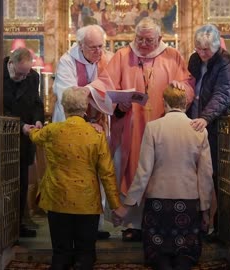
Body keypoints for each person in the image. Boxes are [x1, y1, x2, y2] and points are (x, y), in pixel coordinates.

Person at [90, 16, 194, 241]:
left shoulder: (172, 56)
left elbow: (187, 85)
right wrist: (118, 103)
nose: (143, 44)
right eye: (139, 39)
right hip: (131, 125)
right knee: (134, 169)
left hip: (163, 126)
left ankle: (159, 222)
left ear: (160, 38)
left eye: (149, 40)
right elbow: (105, 84)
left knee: (159, 171)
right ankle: (134, 225)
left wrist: (181, 88)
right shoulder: (122, 55)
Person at [113, 85, 214, 270]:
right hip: (188, 202)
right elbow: (206, 174)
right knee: (185, 253)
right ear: (185, 103)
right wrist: (205, 210)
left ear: (164, 103)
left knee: (159, 254)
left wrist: (126, 207)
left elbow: (143, 172)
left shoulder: (153, 128)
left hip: (158, 203)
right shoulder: (199, 130)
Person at [29, 87, 124, 270]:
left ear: (64, 107)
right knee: (85, 253)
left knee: (60, 252)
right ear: (85, 109)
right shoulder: (96, 134)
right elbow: (107, 172)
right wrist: (115, 206)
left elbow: (35, 136)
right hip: (86, 201)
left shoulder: (52, 130)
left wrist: (30, 129)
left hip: (57, 198)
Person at [52, 24, 115, 240]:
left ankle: (93, 225)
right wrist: (87, 122)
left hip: (98, 127)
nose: (99, 52)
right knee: (72, 176)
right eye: (93, 47)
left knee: (96, 175)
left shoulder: (107, 59)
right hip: (72, 128)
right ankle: (70, 226)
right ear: (80, 45)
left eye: (101, 46)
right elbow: (69, 96)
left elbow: (111, 87)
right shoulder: (67, 62)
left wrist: (93, 91)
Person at [174, 24, 230, 237]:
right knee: (193, 175)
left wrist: (205, 118)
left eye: (205, 50)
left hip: (215, 125)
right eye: (198, 48)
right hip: (194, 123)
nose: (201, 53)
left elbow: (223, 94)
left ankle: (220, 228)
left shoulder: (225, 62)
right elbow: (189, 84)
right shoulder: (194, 59)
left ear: (217, 46)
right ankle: (195, 225)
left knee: (216, 176)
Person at [3, 47, 45, 238]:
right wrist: (21, 126)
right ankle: (5, 226)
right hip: (4, 137)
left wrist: (38, 120)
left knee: (21, 183)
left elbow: (37, 103)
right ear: (11, 63)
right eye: (19, 74)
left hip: (26, 138)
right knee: (5, 184)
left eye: (25, 74)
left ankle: (19, 224)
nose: (22, 78)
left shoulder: (32, 76)